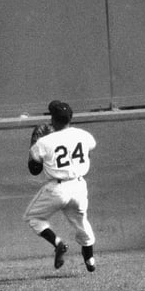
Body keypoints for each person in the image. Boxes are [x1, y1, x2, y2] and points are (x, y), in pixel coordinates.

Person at [25, 101, 98, 273]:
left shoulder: (44, 142)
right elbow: (88, 151)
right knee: (82, 223)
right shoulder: (84, 135)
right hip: (79, 186)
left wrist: (35, 146)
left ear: (53, 120)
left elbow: (34, 170)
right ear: (70, 118)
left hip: (57, 188)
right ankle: (90, 259)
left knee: (34, 218)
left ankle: (57, 243)